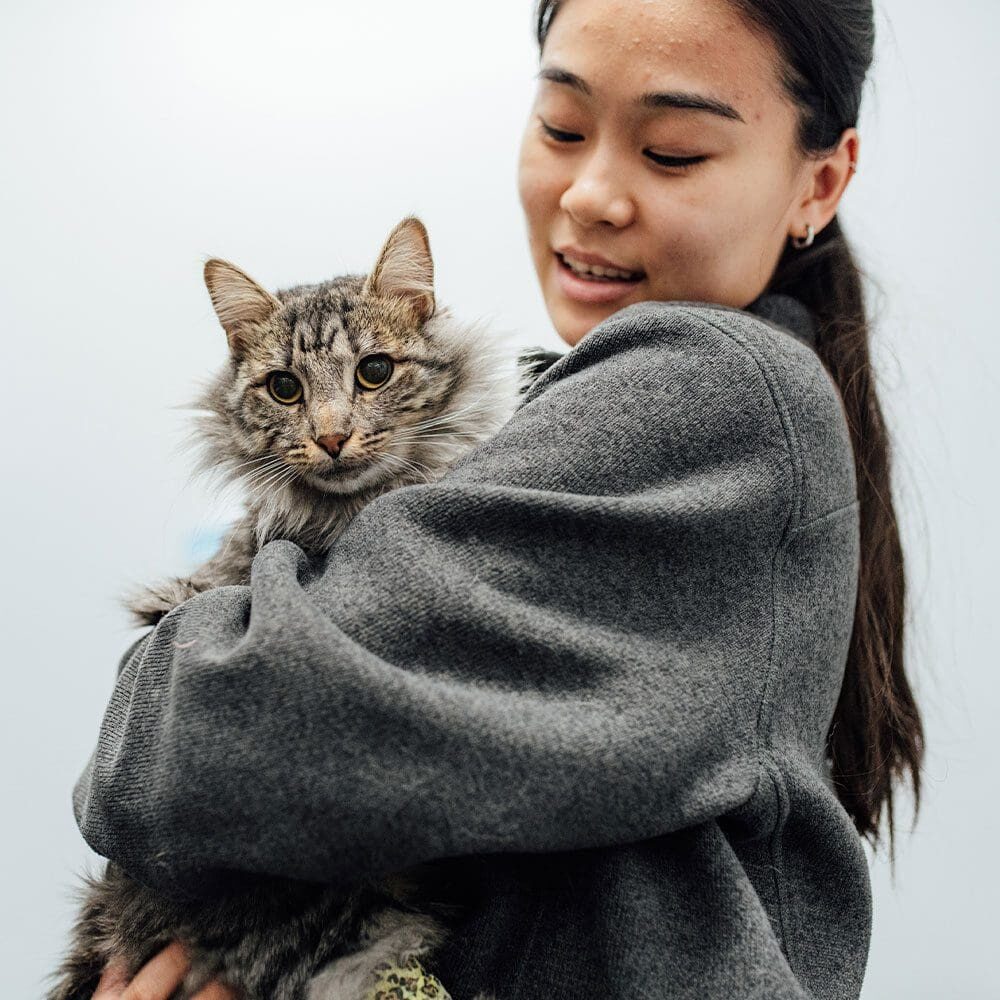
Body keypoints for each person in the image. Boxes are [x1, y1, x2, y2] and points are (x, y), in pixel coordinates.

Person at [81, 0, 924, 997]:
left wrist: (198, 648)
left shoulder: (719, 385)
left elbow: (184, 741)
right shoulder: (583, 414)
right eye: (561, 127)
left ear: (817, 183)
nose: (591, 196)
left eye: (673, 151)